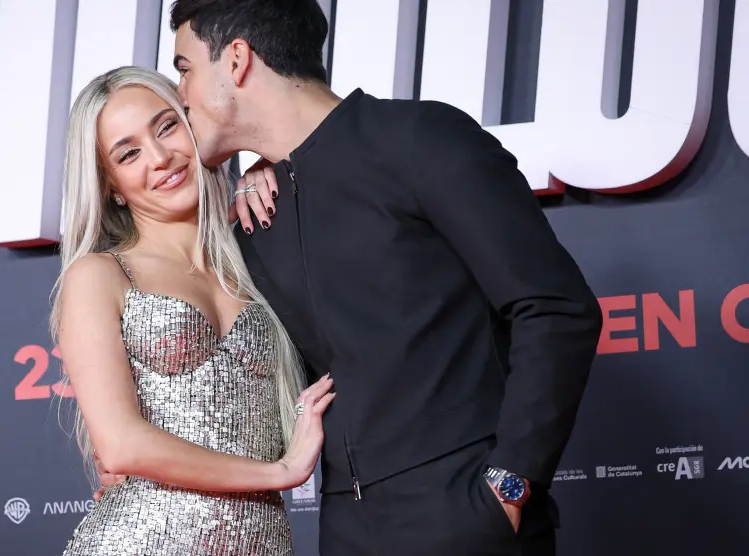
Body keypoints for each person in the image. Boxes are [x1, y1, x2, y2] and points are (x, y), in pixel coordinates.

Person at [104, 1, 605, 554]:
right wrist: (147, 463)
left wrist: (511, 484)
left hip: (466, 511)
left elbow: (555, 307)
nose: (181, 94)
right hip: (346, 528)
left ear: (238, 60)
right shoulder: (255, 216)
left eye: (185, 69)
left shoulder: (420, 140)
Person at [49, 65, 336, 555]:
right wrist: (280, 472)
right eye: (129, 153)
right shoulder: (99, 275)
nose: (160, 157)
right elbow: (121, 445)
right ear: (111, 185)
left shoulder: (259, 256)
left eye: (166, 127)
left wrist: (265, 171)